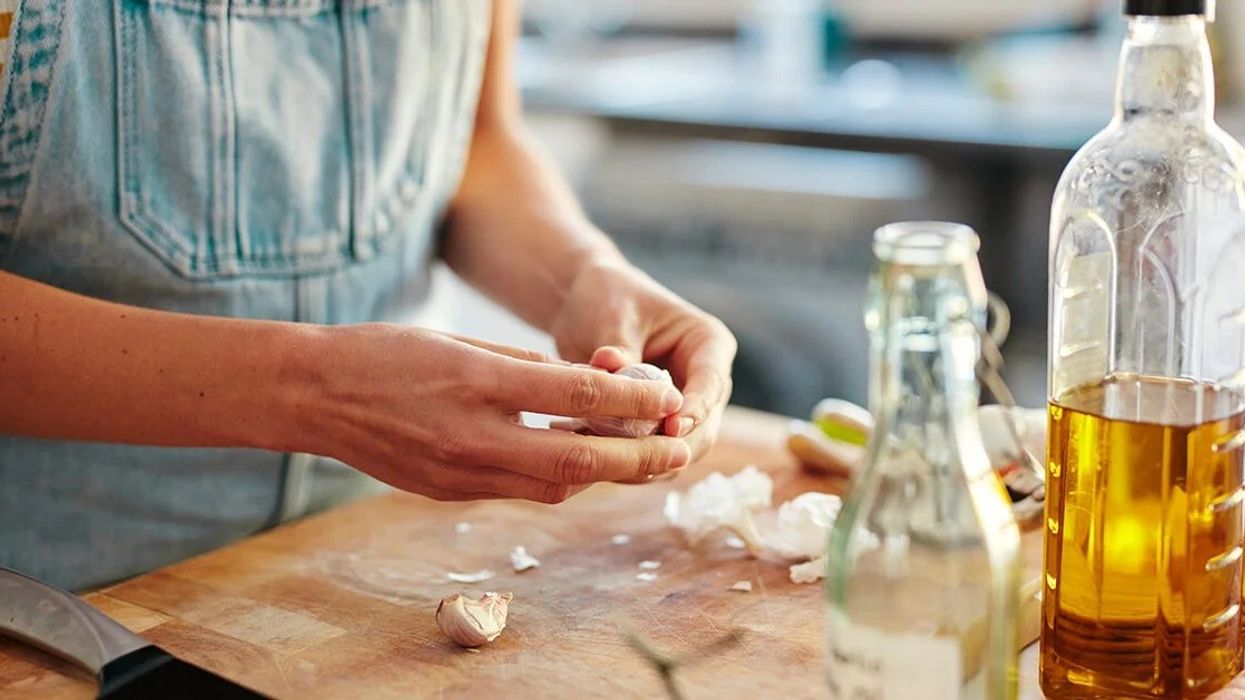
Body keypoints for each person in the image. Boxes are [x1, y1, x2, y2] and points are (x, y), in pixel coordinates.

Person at [0, 0, 735, 591]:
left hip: (366, 568)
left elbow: (473, 146)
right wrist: (310, 392)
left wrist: (581, 277)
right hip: (51, 604)